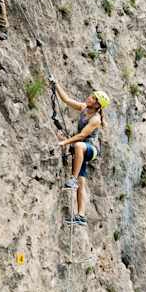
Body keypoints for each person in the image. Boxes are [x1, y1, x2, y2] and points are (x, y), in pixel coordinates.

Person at [51, 77, 109, 227]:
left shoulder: (96, 119)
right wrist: (56, 84)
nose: (89, 97)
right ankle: (81, 216)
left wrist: (65, 142)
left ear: (97, 104)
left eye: (93, 97)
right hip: (82, 149)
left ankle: (73, 179)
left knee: (78, 146)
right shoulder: (84, 108)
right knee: (82, 182)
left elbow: (83, 136)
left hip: (91, 149)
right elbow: (67, 100)